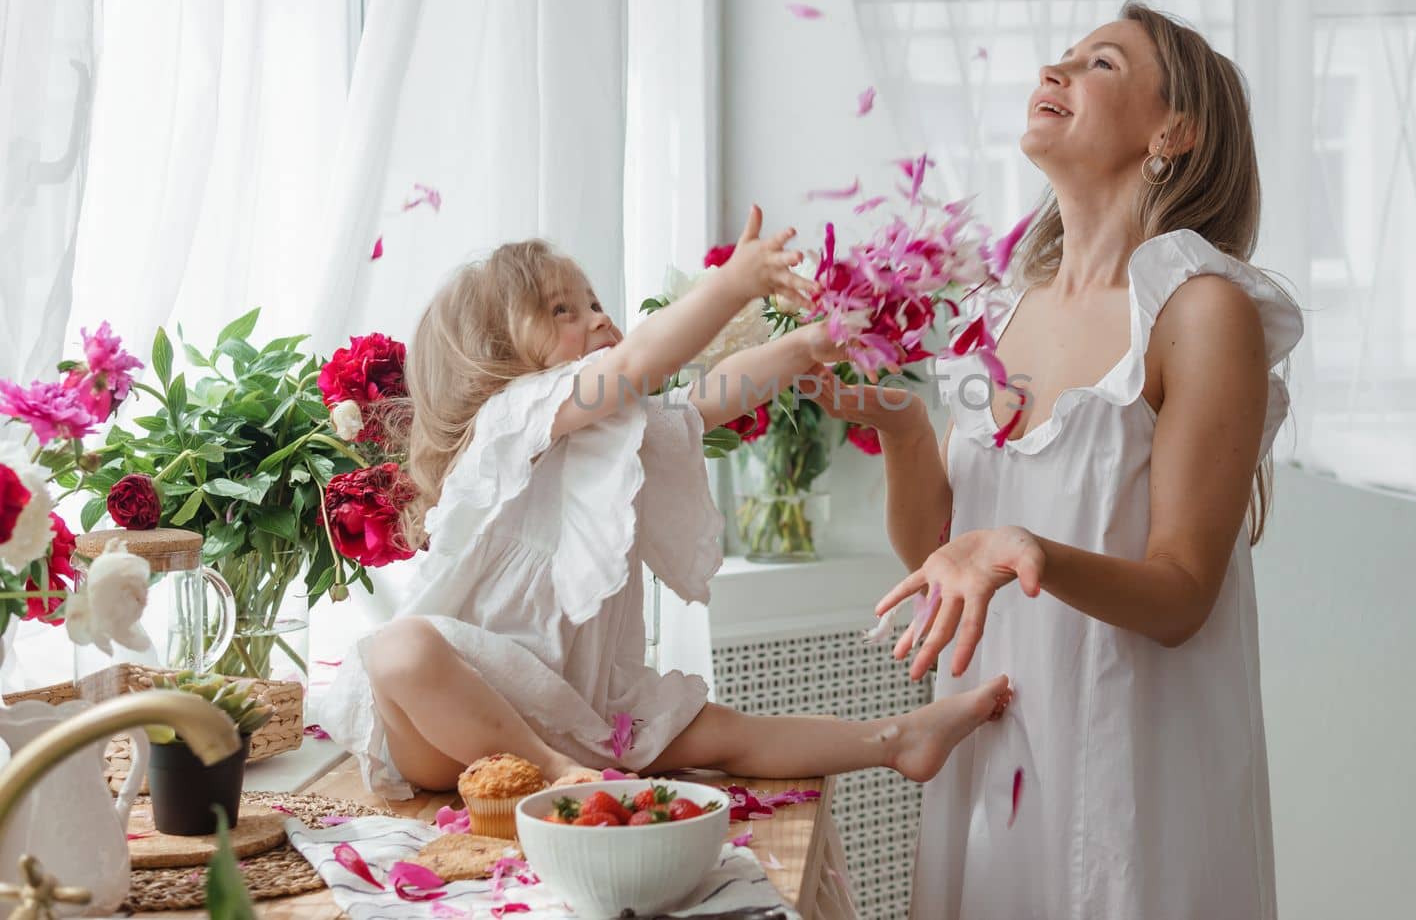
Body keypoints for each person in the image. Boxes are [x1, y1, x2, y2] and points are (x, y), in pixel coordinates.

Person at [815, 1, 1304, 919]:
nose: (1057, 69)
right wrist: (905, 431)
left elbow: (1183, 594)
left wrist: (1021, 546)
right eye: (1064, 56)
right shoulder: (994, 312)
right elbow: (938, 553)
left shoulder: (1200, 310)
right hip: (994, 742)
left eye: (1102, 64)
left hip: (1131, 761)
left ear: (1174, 130)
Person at [321, 207, 1013, 800]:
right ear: (493, 355)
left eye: (594, 302)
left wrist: (805, 344)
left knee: (731, 735)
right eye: (562, 309)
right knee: (401, 647)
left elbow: (708, 396)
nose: (597, 318)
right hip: (449, 726)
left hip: (578, 707)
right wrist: (731, 286)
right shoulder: (511, 419)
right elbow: (630, 369)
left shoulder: (617, 426)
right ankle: (560, 773)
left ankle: (892, 740)